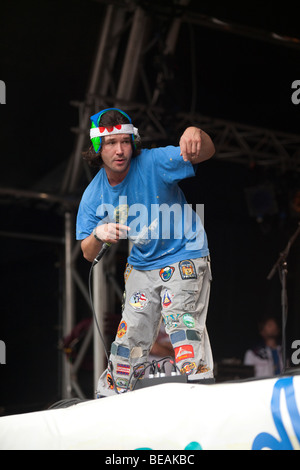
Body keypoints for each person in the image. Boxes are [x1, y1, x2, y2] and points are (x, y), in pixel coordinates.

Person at [76, 107, 215, 396]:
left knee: (181, 325)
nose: (119, 150)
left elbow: (205, 152)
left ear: (133, 143)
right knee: (129, 338)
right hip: (142, 265)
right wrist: (97, 235)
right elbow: (87, 253)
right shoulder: (93, 195)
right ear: (97, 148)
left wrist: (195, 134)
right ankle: (111, 402)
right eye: (111, 143)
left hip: (183, 253)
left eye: (125, 141)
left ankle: (201, 392)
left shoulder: (153, 162)